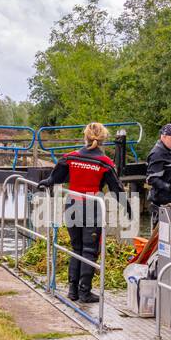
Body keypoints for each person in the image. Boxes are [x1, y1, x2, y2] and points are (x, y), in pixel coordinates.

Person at [37, 121, 123, 304]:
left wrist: (48, 182)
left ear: (85, 137)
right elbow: (117, 189)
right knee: (89, 250)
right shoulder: (105, 162)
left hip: (72, 204)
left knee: (76, 248)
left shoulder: (70, 157)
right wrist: (128, 209)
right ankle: (85, 292)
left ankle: (72, 291)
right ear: (103, 140)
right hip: (92, 207)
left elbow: (55, 177)